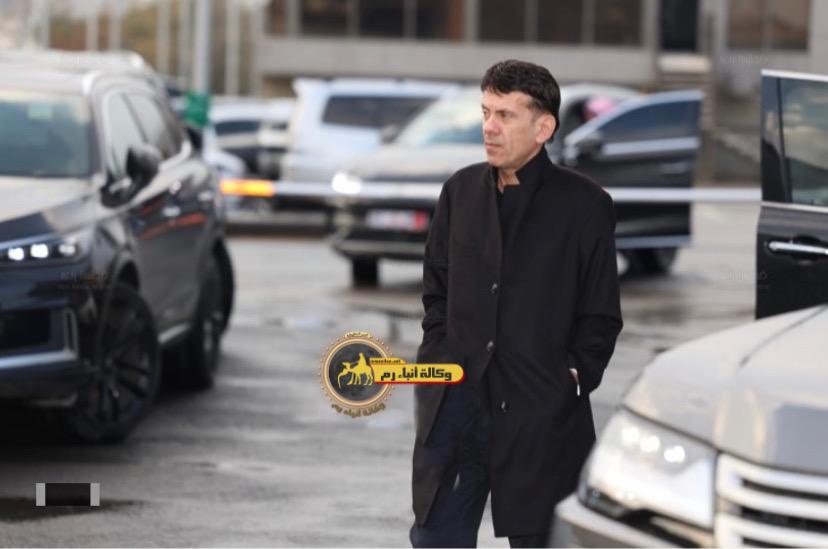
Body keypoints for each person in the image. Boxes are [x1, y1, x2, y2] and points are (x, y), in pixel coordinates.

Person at [409, 60, 623, 548]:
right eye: (486, 112)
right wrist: (437, 357)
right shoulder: (459, 192)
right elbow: (436, 291)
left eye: (505, 115)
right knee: (436, 538)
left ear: (543, 128)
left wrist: (571, 377)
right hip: (456, 408)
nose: (489, 127)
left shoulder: (585, 205)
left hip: (539, 414)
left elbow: (600, 315)